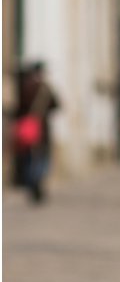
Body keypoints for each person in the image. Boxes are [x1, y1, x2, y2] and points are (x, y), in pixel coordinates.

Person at [14, 62, 60, 203]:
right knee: (41, 158)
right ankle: (37, 182)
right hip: (42, 128)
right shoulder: (45, 88)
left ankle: (31, 183)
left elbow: (18, 108)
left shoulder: (24, 87)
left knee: (29, 157)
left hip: (27, 128)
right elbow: (56, 105)